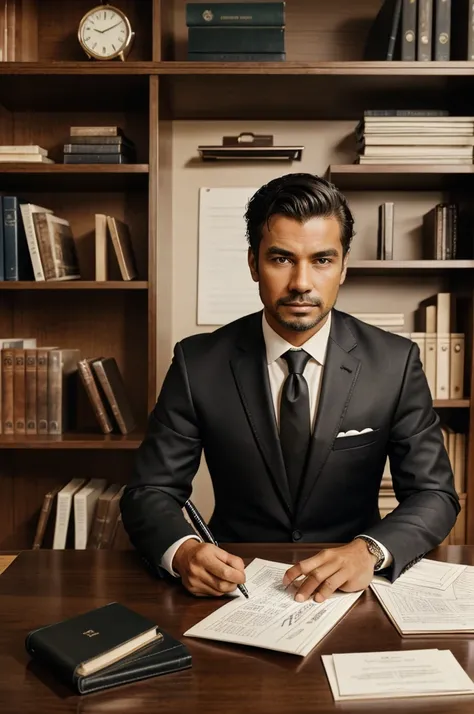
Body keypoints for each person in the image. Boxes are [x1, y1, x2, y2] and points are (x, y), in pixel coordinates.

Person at [120, 172, 459, 604]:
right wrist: (184, 552)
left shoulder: (395, 362)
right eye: (281, 259)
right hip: (233, 588)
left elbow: (435, 493)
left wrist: (370, 551)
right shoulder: (197, 362)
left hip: (355, 589)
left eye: (321, 260)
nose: (301, 282)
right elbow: (151, 491)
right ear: (252, 262)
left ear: (343, 266)